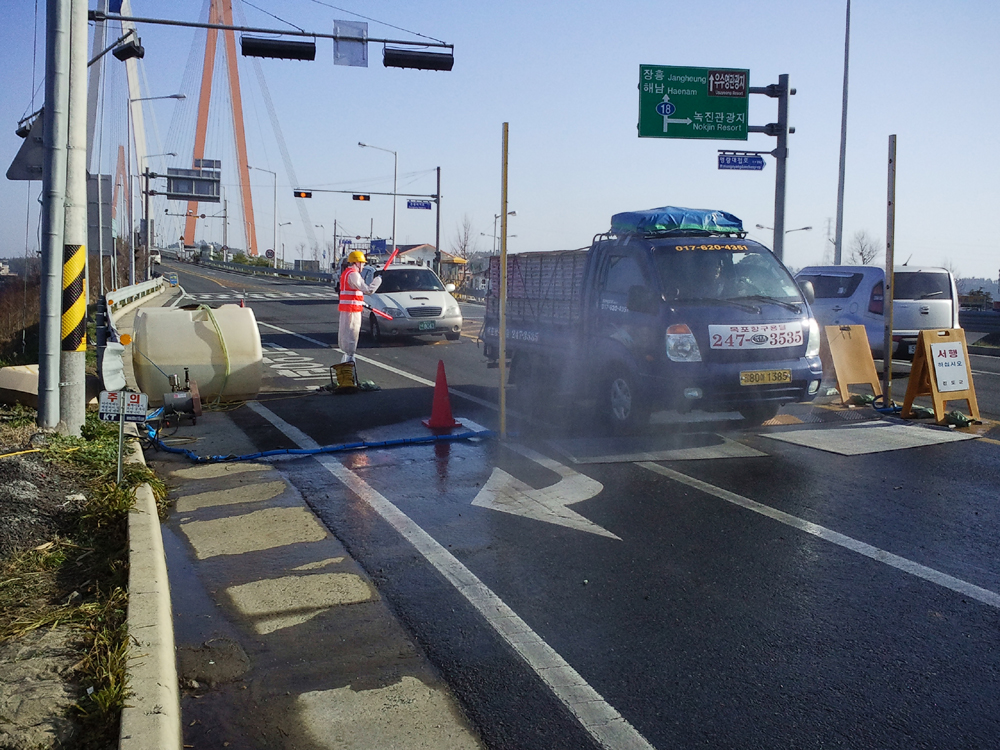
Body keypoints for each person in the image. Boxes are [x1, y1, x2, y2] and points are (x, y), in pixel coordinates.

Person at [338, 250, 381, 362]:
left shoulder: (346, 273)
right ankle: (349, 365)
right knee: (351, 337)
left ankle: (346, 364)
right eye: (362, 263)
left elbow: (352, 294)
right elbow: (368, 290)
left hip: (347, 309)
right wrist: (377, 281)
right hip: (352, 311)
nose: (363, 265)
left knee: (346, 337)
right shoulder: (354, 274)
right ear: (356, 262)